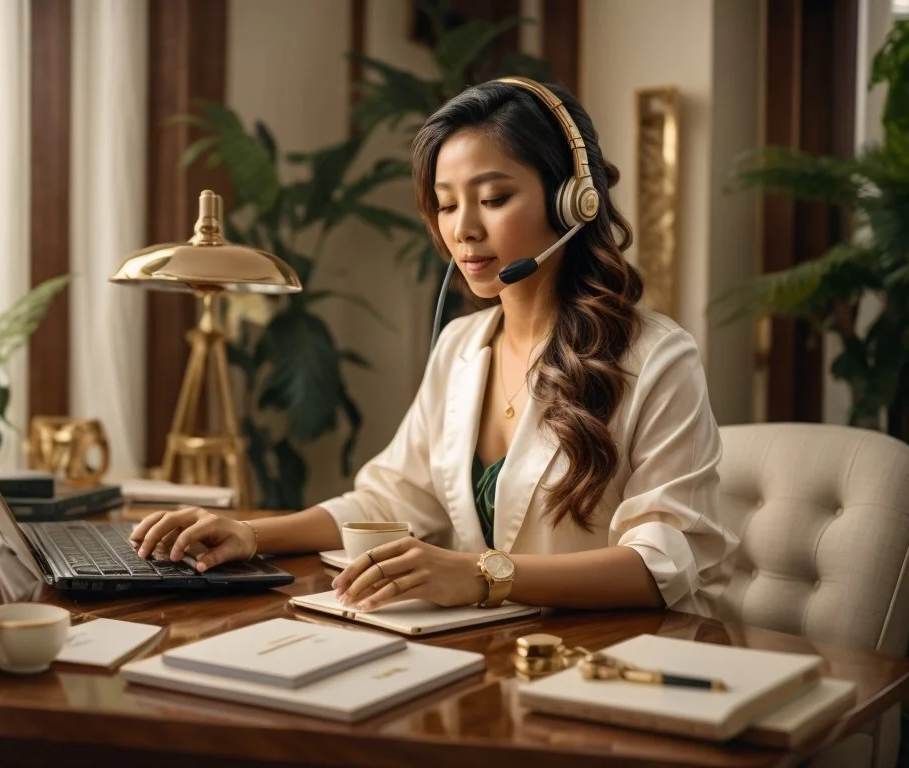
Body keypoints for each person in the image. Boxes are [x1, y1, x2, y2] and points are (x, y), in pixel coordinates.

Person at [131, 77, 739, 618]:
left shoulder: (658, 358)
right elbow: (389, 498)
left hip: (607, 662)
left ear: (571, 201)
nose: (463, 229)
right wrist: (250, 534)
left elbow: (665, 563)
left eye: (494, 199)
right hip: (492, 657)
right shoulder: (461, 345)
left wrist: (479, 577)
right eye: (446, 204)